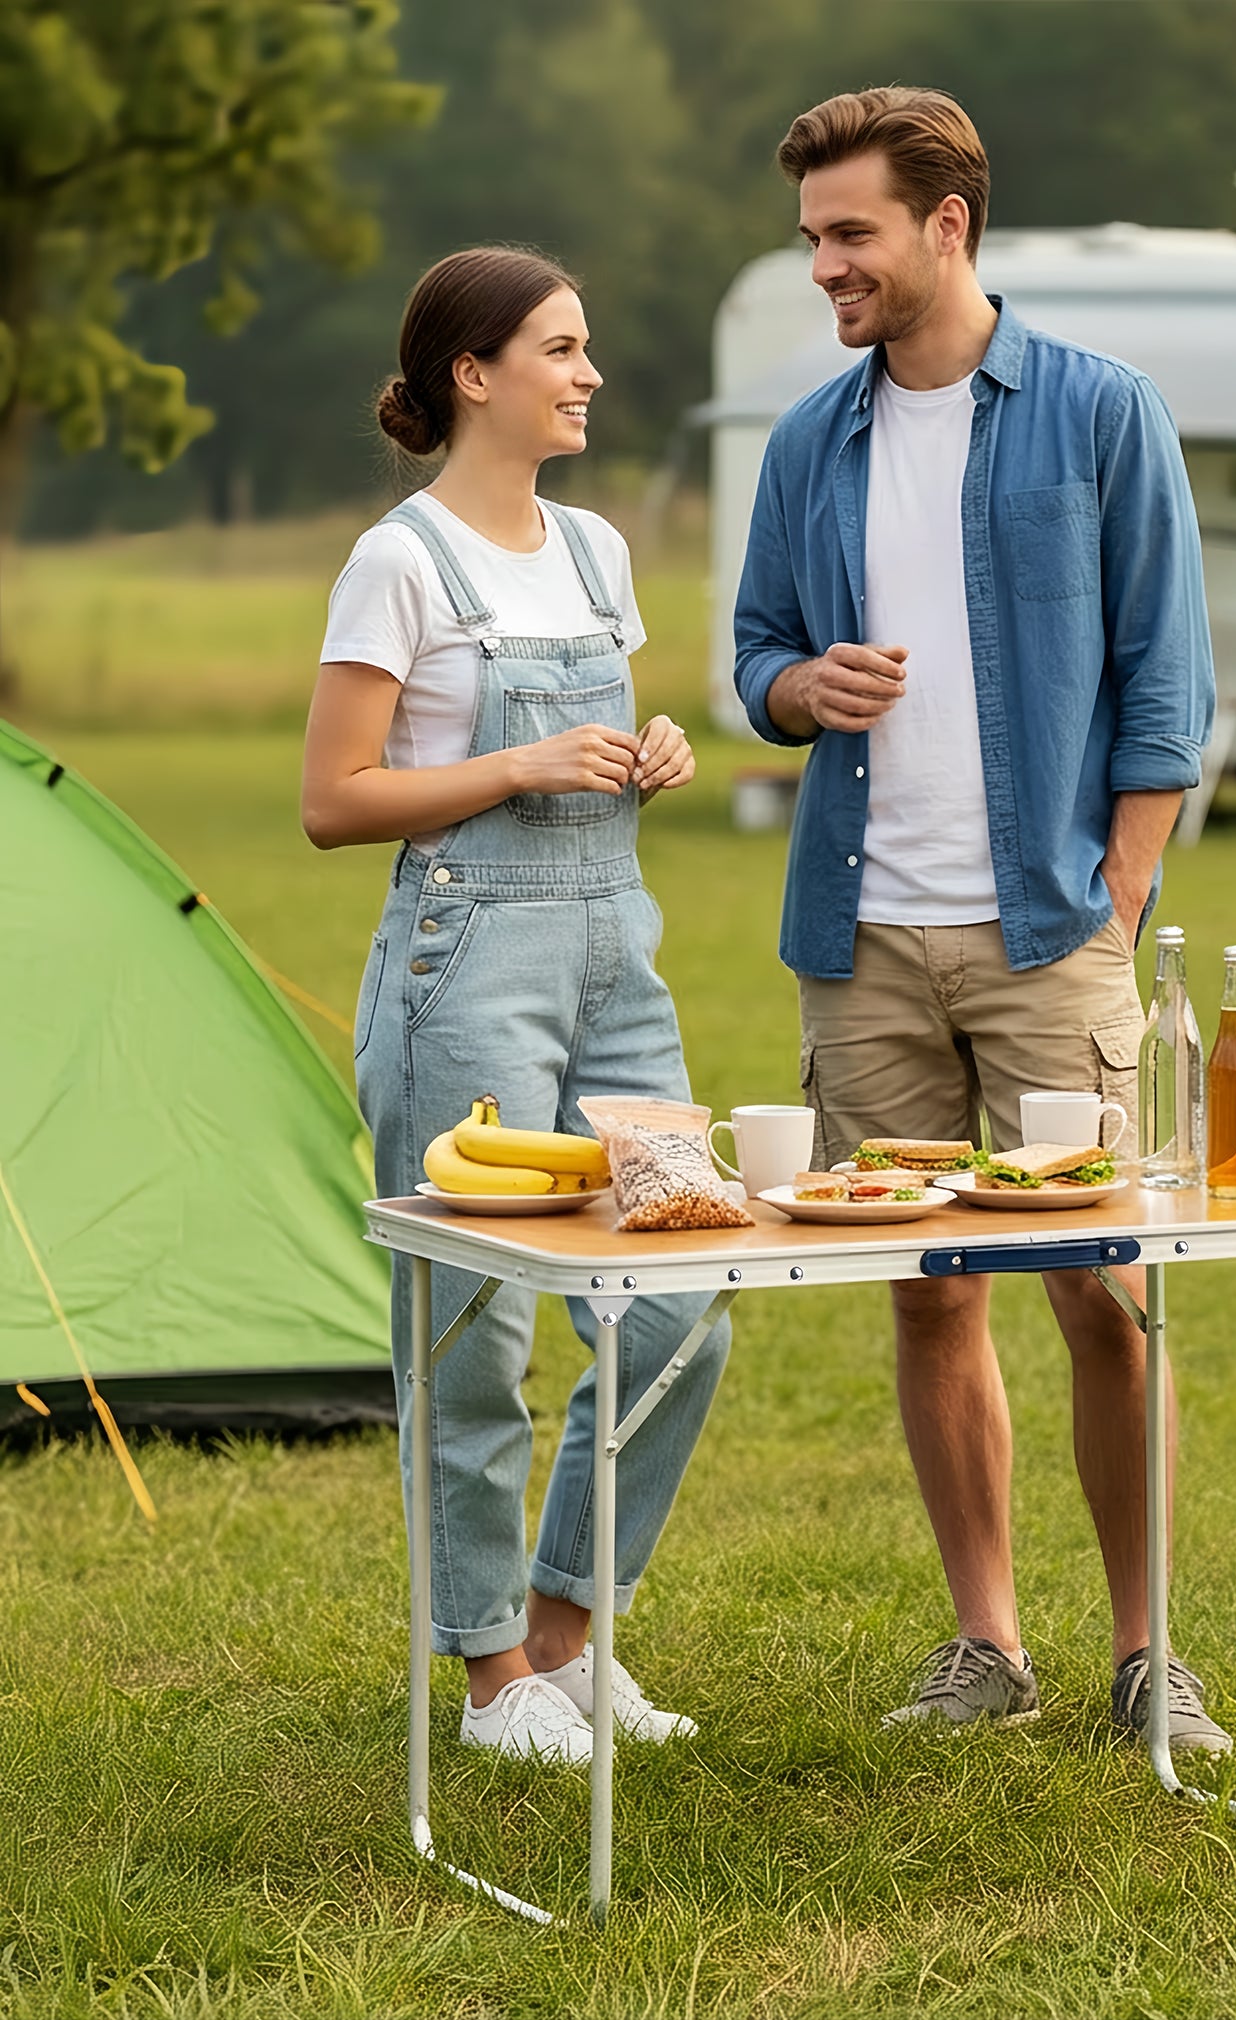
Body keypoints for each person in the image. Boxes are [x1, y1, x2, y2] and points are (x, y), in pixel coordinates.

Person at [733, 89, 1228, 1752]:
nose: (826, 267)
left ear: (950, 226)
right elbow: (753, 654)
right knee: (929, 1288)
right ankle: (989, 1647)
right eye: (813, 239)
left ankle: (1149, 1654)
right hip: (861, 938)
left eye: (851, 233)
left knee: (1102, 1284)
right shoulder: (813, 439)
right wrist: (799, 685)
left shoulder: (1100, 411)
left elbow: (1170, 671)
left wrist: (1127, 879)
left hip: (1046, 934)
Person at [302, 247, 730, 1764]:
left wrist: (651, 745)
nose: (590, 373)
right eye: (561, 347)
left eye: (588, 346)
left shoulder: (603, 550)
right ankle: (490, 1680)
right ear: (473, 374)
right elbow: (333, 801)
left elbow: (599, 743)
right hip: (460, 968)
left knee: (682, 1305)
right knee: (473, 1333)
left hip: (620, 957)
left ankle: (566, 1637)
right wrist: (515, 766)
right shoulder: (399, 561)